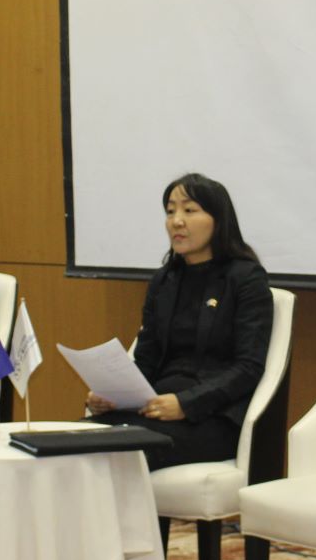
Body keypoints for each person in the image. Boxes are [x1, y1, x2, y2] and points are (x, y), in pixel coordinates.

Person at [86, 172, 274, 472]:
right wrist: (114, 395)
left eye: (189, 210)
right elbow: (145, 359)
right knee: (73, 441)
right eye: (170, 211)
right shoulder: (164, 280)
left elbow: (248, 367)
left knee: (121, 456)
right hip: (157, 409)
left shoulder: (245, 278)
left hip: (213, 417)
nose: (176, 221)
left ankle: (137, 522)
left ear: (218, 219)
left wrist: (187, 404)